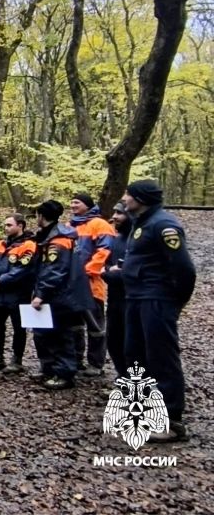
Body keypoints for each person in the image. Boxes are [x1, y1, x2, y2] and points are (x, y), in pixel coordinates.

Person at [117, 179, 196, 442]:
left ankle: (171, 421)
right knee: (134, 355)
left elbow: (185, 269)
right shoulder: (140, 223)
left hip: (156, 300)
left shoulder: (164, 225)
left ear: (141, 198)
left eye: (129, 194)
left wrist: (176, 303)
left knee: (161, 357)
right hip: (136, 298)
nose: (124, 199)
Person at [30, 200, 92, 390]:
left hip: (61, 296)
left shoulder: (59, 240)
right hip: (53, 293)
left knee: (60, 334)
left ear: (42, 216)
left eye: (37, 215)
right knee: (43, 333)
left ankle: (64, 373)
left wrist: (40, 294)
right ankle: (48, 368)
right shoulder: (47, 236)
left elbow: (55, 270)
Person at [68, 192, 116, 377]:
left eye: (77, 202)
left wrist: (86, 271)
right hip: (72, 284)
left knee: (95, 325)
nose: (73, 206)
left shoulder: (100, 224)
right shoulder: (70, 226)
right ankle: (76, 358)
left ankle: (96, 363)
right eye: (71, 202)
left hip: (91, 283)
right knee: (74, 324)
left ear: (87, 205)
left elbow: (105, 252)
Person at [0, 214, 35, 374]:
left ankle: (17, 359)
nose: (6, 228)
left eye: (9, 225)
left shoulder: (29, 245)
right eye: (5, 225)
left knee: (19, 328)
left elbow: (22, 269)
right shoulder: (2, 244)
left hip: (18, 293)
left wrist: (1, 281)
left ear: (20, 225)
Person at [102, 203, 130, 380]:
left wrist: (115, 273)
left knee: (133, 344)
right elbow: (106, 267)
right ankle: (122, 375)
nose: (114, 217)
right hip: (114, 299)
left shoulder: (139, 240)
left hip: (133, 300)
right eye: (114, 212)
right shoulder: (116, 239)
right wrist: (108, 272)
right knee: (113, 341)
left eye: (119, 213)